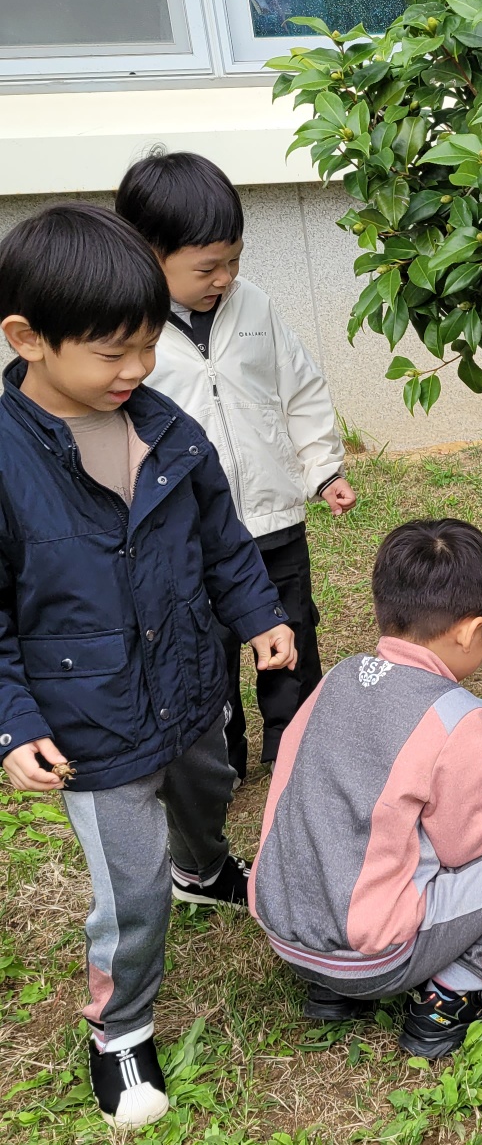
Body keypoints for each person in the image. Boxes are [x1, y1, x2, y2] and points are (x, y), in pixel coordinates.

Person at [0, 204, 297, 1128]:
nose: (136, 370)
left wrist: (258, 617)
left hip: (189, 690)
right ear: (27, 340)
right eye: (110, 353)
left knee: (208, 791)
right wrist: (15, 722)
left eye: (147, 345)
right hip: (91, 728)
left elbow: (222, 539)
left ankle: (203, 871)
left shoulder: (166, 427)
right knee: (128, 893)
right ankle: (121, 1028)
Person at [251, 519, 482, 1059]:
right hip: (375, 956)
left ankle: (329, 989)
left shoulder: (338, 678)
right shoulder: (458, 715)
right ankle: (452, 996)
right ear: (469, 631)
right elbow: (470, 843)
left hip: (287, 933)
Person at [115, 150, 354, 782]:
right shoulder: (126, 333)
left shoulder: (254, 306)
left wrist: (321, 467)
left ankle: (296, 746)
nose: (225, 277)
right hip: (190, 533)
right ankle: (224, 757)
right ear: (147, 253)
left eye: (235, 260)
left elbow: (300, 388)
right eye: (207, 267)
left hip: (273, 515)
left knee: (291, 632)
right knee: (207, 648)